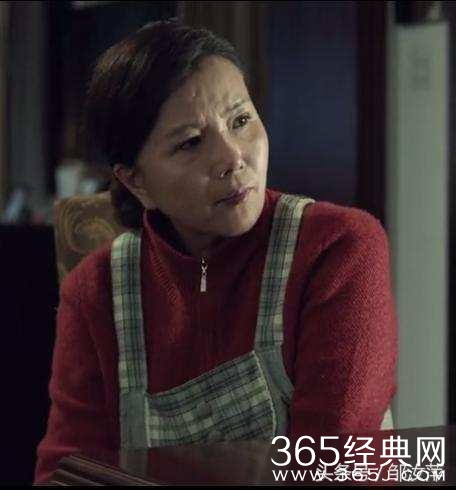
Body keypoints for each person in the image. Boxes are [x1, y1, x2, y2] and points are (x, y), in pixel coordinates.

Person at [34, 19, 397, 484]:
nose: (233, 158)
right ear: (136, 181)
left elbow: (333, 463)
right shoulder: (96, 291)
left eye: (241, 121)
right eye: (190, 143)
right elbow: (68, 471)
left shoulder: (338, 248)